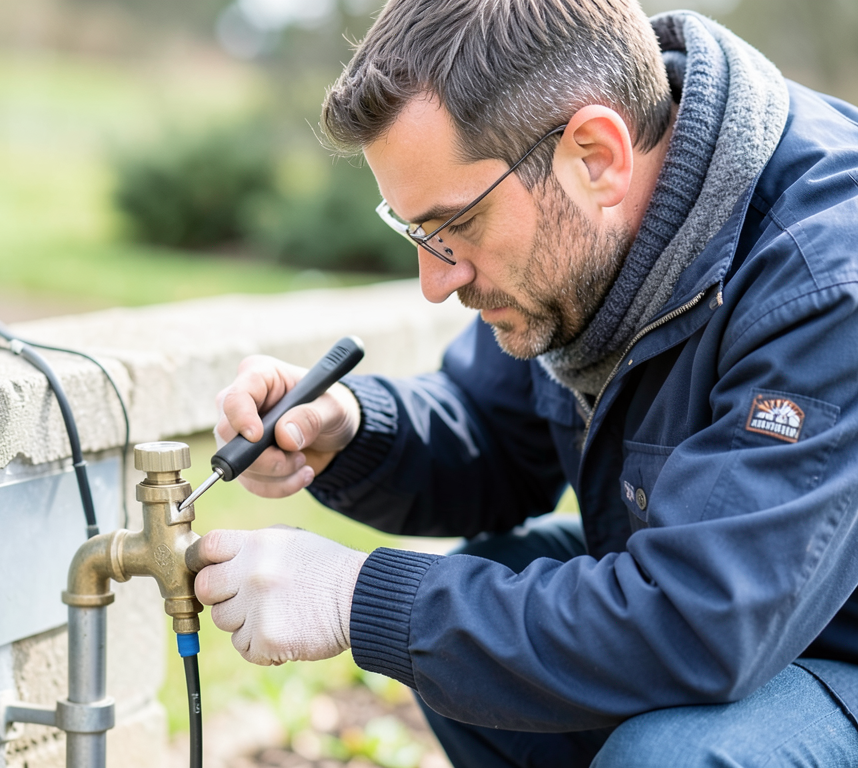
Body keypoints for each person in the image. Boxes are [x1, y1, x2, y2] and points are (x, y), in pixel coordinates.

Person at [190, 1, 858, 766]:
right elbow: (492, 430)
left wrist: (356, 598)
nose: (436, 282)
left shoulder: (826, 277)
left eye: (455, 225)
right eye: (417, 233)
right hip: (757, 614)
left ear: (597, 155)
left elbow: (701, 620)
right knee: (484, 605)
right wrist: (348, 427)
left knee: (676, 757)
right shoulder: (588, 232)